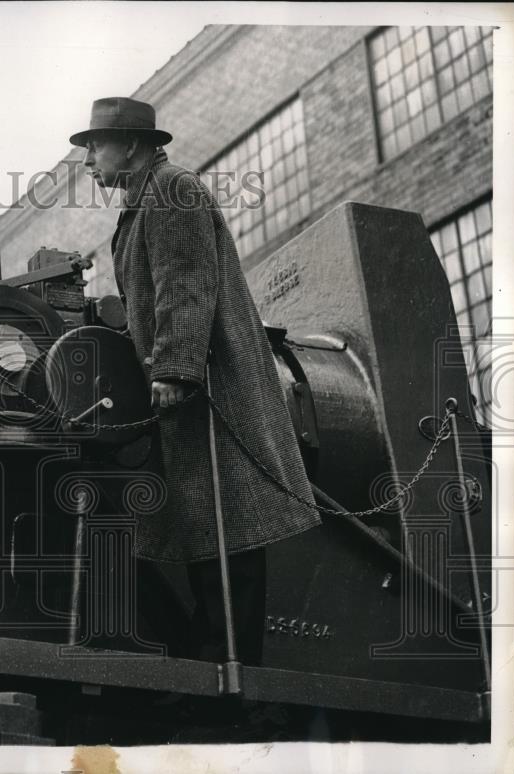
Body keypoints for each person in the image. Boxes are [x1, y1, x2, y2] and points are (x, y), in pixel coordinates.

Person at [70, 97, 320, 665]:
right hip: (189, 388)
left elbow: (185, 281)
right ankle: (209, 661)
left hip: (208, 387)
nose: (86, 160)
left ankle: (230, 673)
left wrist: (175, 368)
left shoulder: (171, 189)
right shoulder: (144, 199)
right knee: (200, 522)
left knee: (225, 523)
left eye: (93, 146)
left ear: (132, 144)